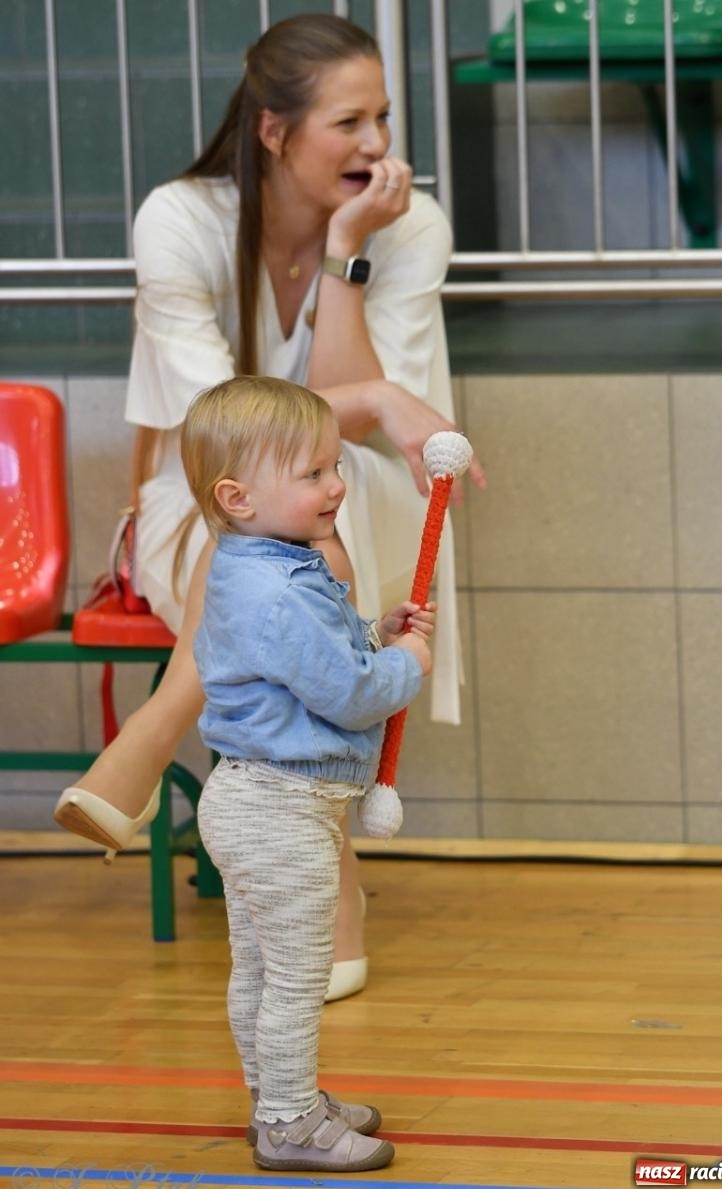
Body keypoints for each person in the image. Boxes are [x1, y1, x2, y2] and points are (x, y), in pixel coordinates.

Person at [53, 12, 486, 1001]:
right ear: (273, 131)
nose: (378, 146)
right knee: (274, 537)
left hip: (322, 516)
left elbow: (359, 437)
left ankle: (152, 741)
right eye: (349, 123)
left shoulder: (404, 224)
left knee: (328, 507)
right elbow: (221, 434)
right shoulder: (179, 219)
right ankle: (333, 880)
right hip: (193, 502)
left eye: (382, 117)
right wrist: (373, 400)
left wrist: (342, 250)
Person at [184, 374, 435, 1172]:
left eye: (334, 467)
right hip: (277, 809)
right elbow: (348, 694)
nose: (336, 486)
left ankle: (277, 1100)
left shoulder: (262, 566)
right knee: (295, 978)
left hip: (256, 799)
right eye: (313, 474)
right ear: (239, 496)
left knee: (260, 971)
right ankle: (290, 1123)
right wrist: (405, 663)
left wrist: (373, 629)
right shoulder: (275, 589)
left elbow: (314, 656)